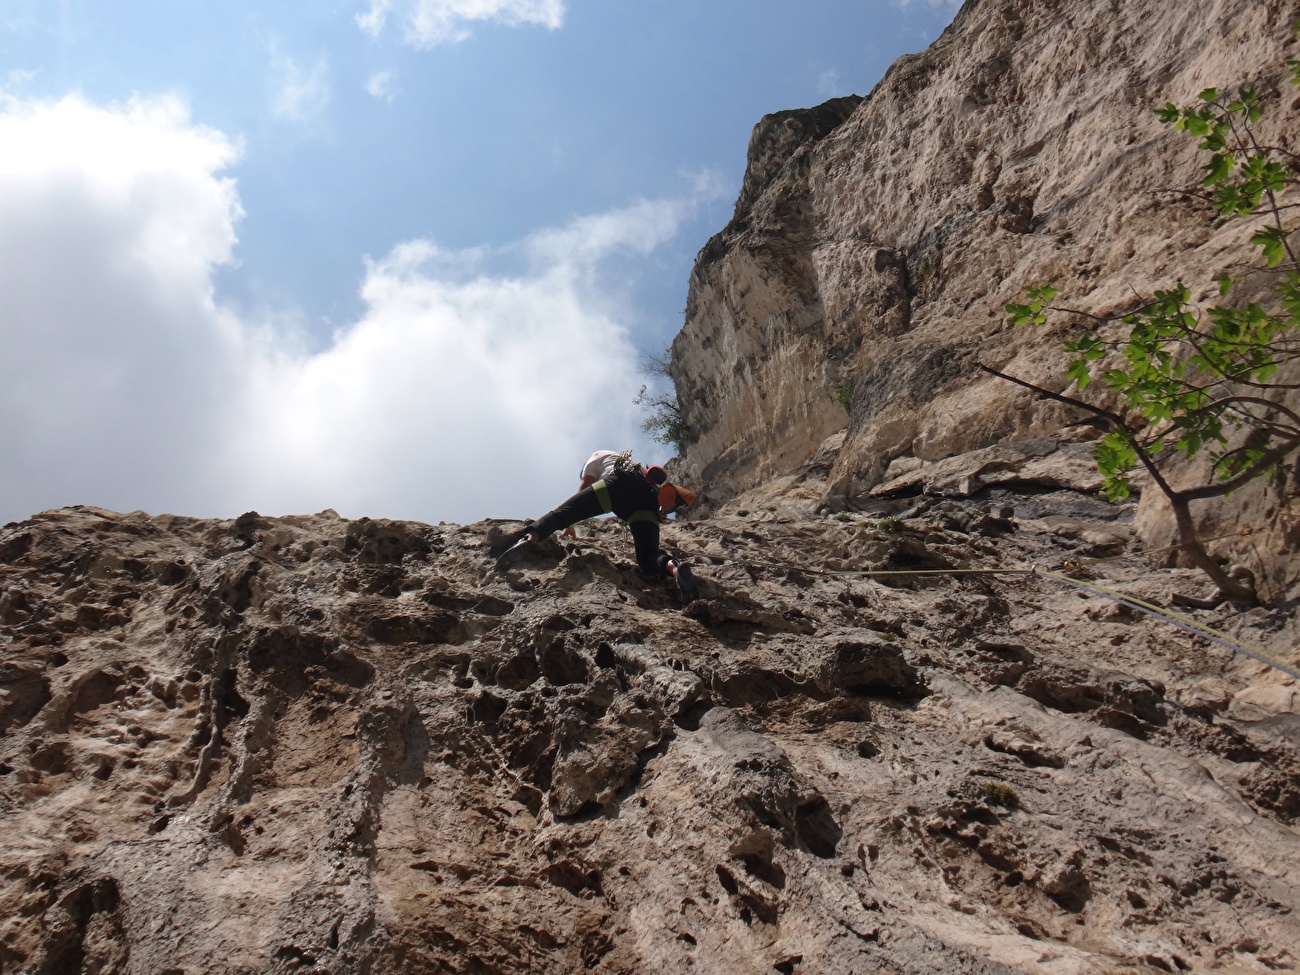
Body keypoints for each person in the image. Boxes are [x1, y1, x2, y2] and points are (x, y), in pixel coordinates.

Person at [492, 450, 698, 595]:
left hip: (618, 486)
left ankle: (530, 538)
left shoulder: (595, 457)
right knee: (649, 557)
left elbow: (581, 494)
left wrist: (569, 525)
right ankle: (675, 569)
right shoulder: (627, 460)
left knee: (562, 513)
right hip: (647, 499)